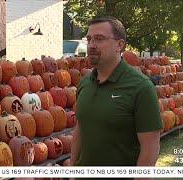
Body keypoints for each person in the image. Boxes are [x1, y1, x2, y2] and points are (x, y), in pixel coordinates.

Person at [70, 16, 163, 179]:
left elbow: (151, 147)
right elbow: (80, 127)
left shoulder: (140, 87)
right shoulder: (85, 83)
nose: (91, 45)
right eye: (89, 39)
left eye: (99, 39)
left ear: (119, 45)